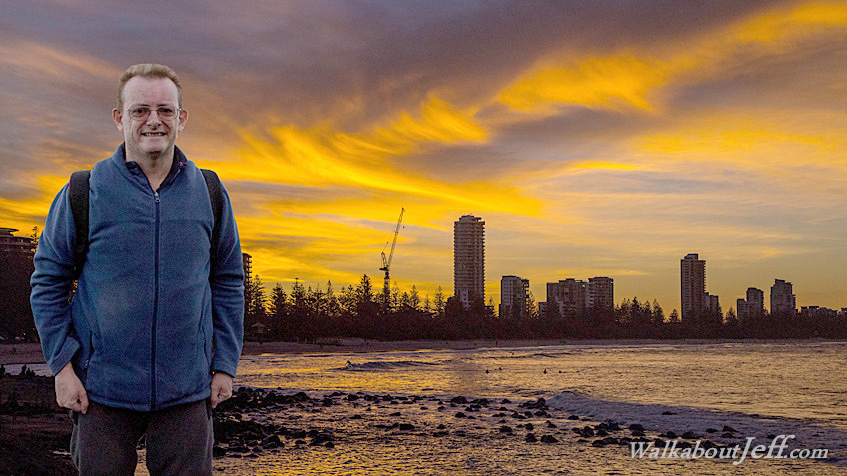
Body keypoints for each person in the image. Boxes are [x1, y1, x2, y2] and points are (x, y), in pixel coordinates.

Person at [31, 64, 244, 475]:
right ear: (119, 118)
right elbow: (48, 282)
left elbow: (229, 282)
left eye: (165, 110)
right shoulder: (84, 190)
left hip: (187, 393)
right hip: (101, 393)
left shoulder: (210, 192)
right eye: (140, 110)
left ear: (181, 118)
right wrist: (62, 366)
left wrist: (224, 365)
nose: (153, 120)